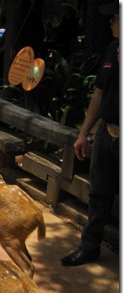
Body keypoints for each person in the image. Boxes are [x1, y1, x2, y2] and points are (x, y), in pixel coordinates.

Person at [61, 2, 119, 266]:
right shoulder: (112, 50)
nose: (111, 22)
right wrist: (84, 132)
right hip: (107, 135)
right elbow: (98, 94)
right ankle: (90, 246)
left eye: (115, 17)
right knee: (98, 194)